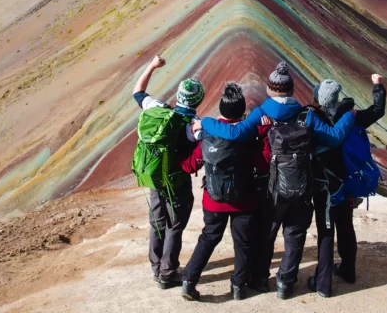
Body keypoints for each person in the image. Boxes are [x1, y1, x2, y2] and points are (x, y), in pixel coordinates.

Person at [192, 61, 356, 299]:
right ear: (290, 91)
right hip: (301, 186)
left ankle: (260, 279)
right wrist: (349, 116)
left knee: (266, 233)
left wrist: (205, 122)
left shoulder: (262, 113)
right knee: (295, 235)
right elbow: (335, 137)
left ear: (270, 90)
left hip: (271, 187)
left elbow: (234, 133)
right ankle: (286, 284)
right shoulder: (306, 115)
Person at [178, 83, 269, 302]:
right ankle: (238, 286)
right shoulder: (248, 136)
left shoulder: (208, 135)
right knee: (243, 242)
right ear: (241, 112)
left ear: (221, 108)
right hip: (243, 200)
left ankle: (189, 281)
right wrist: (264, 132)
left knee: (209, 238)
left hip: (213, 200)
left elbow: (190, 166)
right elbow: (264, 163)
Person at [307, 74, 387, 298]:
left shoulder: (314, 119)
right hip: (347, 183)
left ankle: (323, 283)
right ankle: (348, 270)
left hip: (323, 185)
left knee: (325, 232)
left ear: (319, 100)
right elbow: (378, 110)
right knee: (345, 227)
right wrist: (378, 85)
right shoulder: (352, 116)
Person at [132, 55, 205, 289]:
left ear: (179, 96)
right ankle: (168, 272)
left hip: (155, 178)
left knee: (157, 221)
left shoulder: (159, 110)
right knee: (175, 225)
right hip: (178, 183)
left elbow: (138, 91)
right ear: (199, 100)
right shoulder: (195, 125)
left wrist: (152, 66)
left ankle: (156, 267)